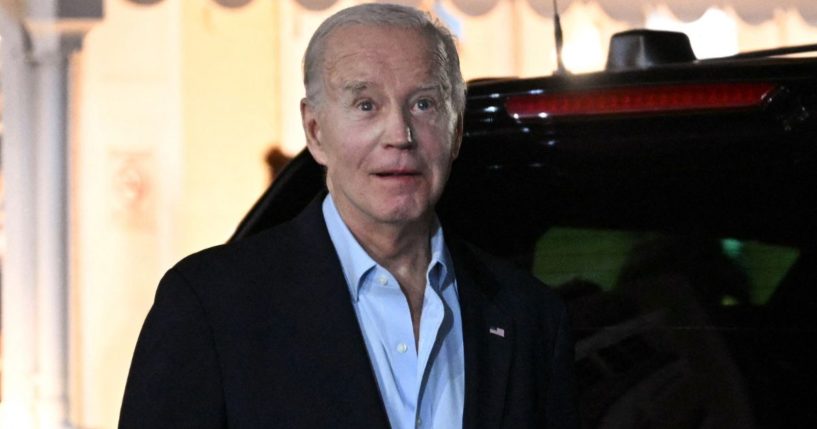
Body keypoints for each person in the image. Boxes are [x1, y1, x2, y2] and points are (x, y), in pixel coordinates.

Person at [119, 4, 576, 428]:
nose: (400, 134)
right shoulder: (211, 307)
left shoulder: (528, 316)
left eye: (424, 104)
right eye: (366, 105)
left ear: (455, 130)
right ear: (315, 131)